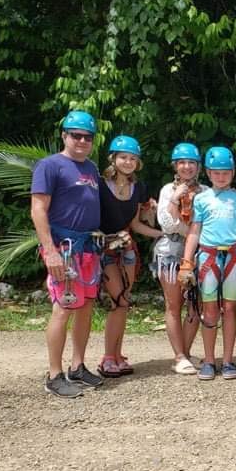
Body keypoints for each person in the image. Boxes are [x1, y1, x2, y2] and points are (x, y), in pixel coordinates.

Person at [31, 110, 103, 398]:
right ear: (64, 136)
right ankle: (54, 374)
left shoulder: (92, 169)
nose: (82, 141)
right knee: (63, 308)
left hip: (87, 249)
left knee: (85, 309)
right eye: (76, 135)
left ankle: (77, 366)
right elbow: (38, 208)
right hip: (63, 248)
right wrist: (50, 251)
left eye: (88, 137)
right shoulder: (50, 166)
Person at [179, 146, 236, 381]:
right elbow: (194, 231)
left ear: (232, 173)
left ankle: (229, 359)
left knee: (231, 308)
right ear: (209, 173)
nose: (221, 176)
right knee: (210, 309)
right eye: (216, 172)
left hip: (234, 257)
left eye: (225, 172)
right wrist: (186, 262)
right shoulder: (201, 199)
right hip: (208, 257)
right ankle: (210, 360)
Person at [97, 135, 163, 377]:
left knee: (124, 301)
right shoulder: (100, 185)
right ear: (113, 159)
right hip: (105, 247)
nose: (128, 162)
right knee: (117, 302)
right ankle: (107, 357)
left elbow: (135, 224)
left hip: (126, 247)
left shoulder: (139, 188)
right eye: (123, 157)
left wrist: (162, 234)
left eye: (132, 158)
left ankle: (117, 354)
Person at [153, 142, 205, 375]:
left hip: (198, 249)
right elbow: (167, 223)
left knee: (196, 305)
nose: (187, 167)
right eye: (182, 162)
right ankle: (179, 355)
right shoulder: (167, 190)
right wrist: (175, 198)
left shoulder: (204, 191)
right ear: (175, 165)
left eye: (191, 162)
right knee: (174, 304)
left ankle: (186, 352)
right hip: (171, 250)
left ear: (198, 166)